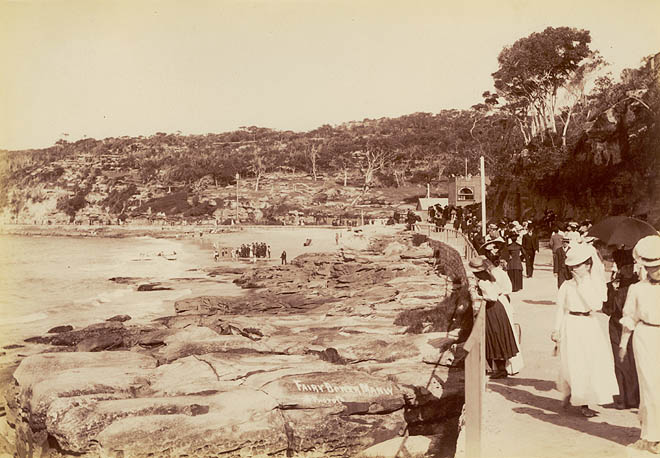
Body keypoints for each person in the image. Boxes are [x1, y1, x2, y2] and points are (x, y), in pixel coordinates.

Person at [552, 243, 619, 418]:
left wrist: (582, 284)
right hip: (571, 324)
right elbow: (560, 308)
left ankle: (585, 400)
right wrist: (556, 329)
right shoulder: (566, 285)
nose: (574, 269)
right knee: (572, 362)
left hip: (588, 324)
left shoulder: (594, 283)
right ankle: (574, 394)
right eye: (572, 266)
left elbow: (596, 305)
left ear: (588, 265)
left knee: (589, 363)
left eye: (578, 265)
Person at [619, 235, 660, 453]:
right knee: (650, 388)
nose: (658, 270)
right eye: (653, 267)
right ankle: (649, 436)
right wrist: (623, 343)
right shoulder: (637, 289)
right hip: (645, 337)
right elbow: (629, 317)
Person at [470, 256, 520, 379]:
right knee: (499, 336)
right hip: (498, 309)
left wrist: (478, 296)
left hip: (492, 310)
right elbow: (497, 291)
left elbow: (492, 297)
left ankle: (500, 369)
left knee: (494, 337)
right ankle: (500, 367)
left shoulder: (482, 282)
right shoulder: (490, 279)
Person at [603, 263, 640, 409]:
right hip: (616, 326)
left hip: (633, 327)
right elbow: (606, 310)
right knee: (620, 361)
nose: (628, 269)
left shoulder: (638, 285)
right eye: (624, 267)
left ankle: (634, 398)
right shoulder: (612, 285)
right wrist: (612, 291)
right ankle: (622, 398)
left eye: (630, 266)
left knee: (633, 360)